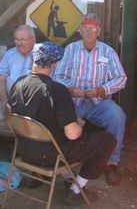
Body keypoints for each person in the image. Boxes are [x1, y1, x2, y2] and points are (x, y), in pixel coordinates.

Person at [9, 42, 116, 205]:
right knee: (107, 140)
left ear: (33, 60)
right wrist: (79, 124)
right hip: (52, 156)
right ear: (54, 64)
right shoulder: (57, 90)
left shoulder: (18, 84)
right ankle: (76, 189)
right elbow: (72, 134)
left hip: (25, 152)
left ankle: (39, 176)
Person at [53, 13, 127, 185]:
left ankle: (111, 162)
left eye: (92, 29)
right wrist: (70, 89)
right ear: (80, 30)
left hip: (98, 103)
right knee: (55, 115)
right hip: (72, 101)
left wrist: (103, 89)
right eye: (85, 28)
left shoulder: (107, 52)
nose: (88, 32)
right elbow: (57, 76)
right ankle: (62, 159)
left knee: (117, 116)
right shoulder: (70, 49)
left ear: (98, 31)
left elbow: (121, 78)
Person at [0, 24, 35, 137]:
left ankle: (25, 140)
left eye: (22, 39)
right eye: (16, 39)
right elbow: (1, 80)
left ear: (32, 40)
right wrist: (4, 100)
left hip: (31, 104)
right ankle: (23, 137)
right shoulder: (10, 54)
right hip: (9, 100)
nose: (18, 43)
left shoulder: (40, 54)